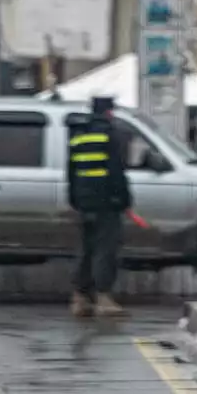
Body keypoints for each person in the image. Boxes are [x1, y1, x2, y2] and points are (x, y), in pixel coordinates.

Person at [66, 95, 132, 319]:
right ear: (108, 112)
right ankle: (103, 298)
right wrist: (123, 199)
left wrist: (75, 199)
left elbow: (71, 171)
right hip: (106, 202)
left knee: (86, 250)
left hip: (84, 202)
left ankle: (80, 298)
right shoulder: (109, 134)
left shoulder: (78, 134)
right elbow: (115, 171)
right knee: (106, 250)